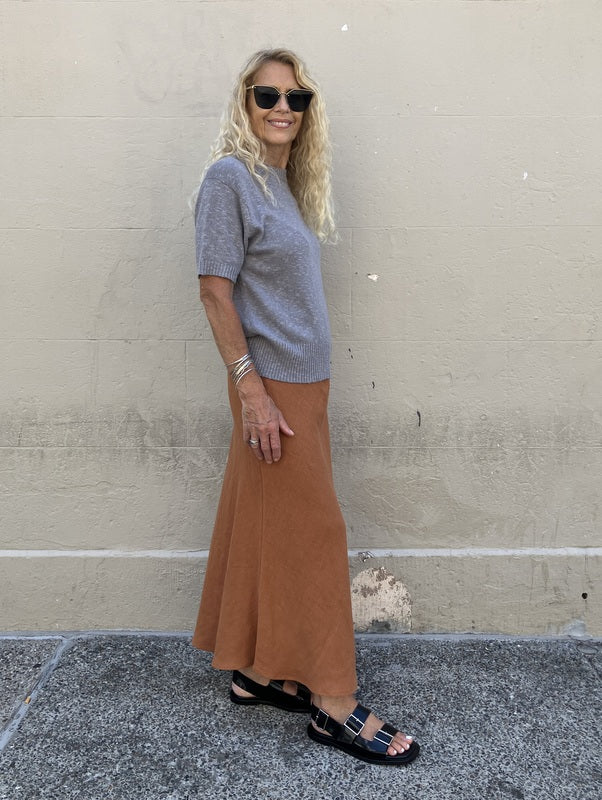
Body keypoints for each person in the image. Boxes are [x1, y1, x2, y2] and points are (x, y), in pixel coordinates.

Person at [191, 48, 419, 766]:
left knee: (268, 529)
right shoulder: (230, 179)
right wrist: (250, 389)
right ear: (245, 102)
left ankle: (256, 675)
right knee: (319, 534)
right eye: (268, 95)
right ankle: (335, 702)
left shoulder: (281, 184)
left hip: (303, 388)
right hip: (273, 391)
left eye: (297, 98)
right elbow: (214, 289)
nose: (283, 108)